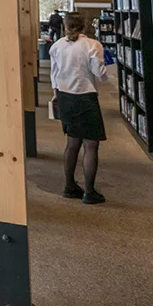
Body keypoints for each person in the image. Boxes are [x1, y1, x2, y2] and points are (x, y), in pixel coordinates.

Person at [49, 12, 109, 204]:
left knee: (72, 142)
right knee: (91, 144)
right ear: (85, 25)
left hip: (65, 96)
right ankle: (90, 192)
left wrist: (56, 94)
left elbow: (54, 74)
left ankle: (69, 186)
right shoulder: (92, 45)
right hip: (85, 96)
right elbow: (98, 73)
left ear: (64, 26)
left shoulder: (57, 46)